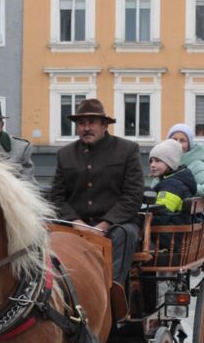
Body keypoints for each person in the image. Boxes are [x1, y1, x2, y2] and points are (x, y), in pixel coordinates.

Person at [48, 98, 143, 283]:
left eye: (91, 122)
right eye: (81, 123)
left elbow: (133, 195)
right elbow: (57, 197)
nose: (86, 128)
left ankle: (111, 288)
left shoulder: (127, 150)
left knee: (125, 234)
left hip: (116, 225)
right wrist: (76, 222)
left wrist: (104, 225)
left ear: (104, 125)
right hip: (74, 224)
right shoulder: (65, 154)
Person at [164, 124, 204, 201]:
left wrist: (191, 187)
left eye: (182, 140)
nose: (177, 143)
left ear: (189, 145)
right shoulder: (162, 164)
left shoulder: (196, 165)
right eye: (174, 139)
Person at [147, 139, 197, 226]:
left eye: (158, 161)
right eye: (151, 161)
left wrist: (137, 218)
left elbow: (160, 217)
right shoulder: (177, 180)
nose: (152, 165)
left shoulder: (171, 185)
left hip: (169, 233)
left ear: (170, 163)